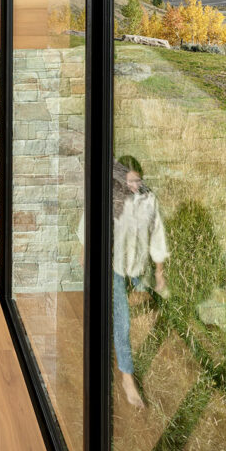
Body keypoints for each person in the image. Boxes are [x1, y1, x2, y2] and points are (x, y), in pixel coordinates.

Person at [78, 155, 169, 408]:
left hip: (137, 266)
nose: (133, 186)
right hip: (114, 265)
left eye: (137, 181)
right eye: (129, 181)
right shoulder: (110, 196)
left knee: (143, 298)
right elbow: (89, 221)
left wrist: (159, 273)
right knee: (123, 321)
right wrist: (86, 253)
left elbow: (157, 235)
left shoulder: (148, 199)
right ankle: (127, 378)